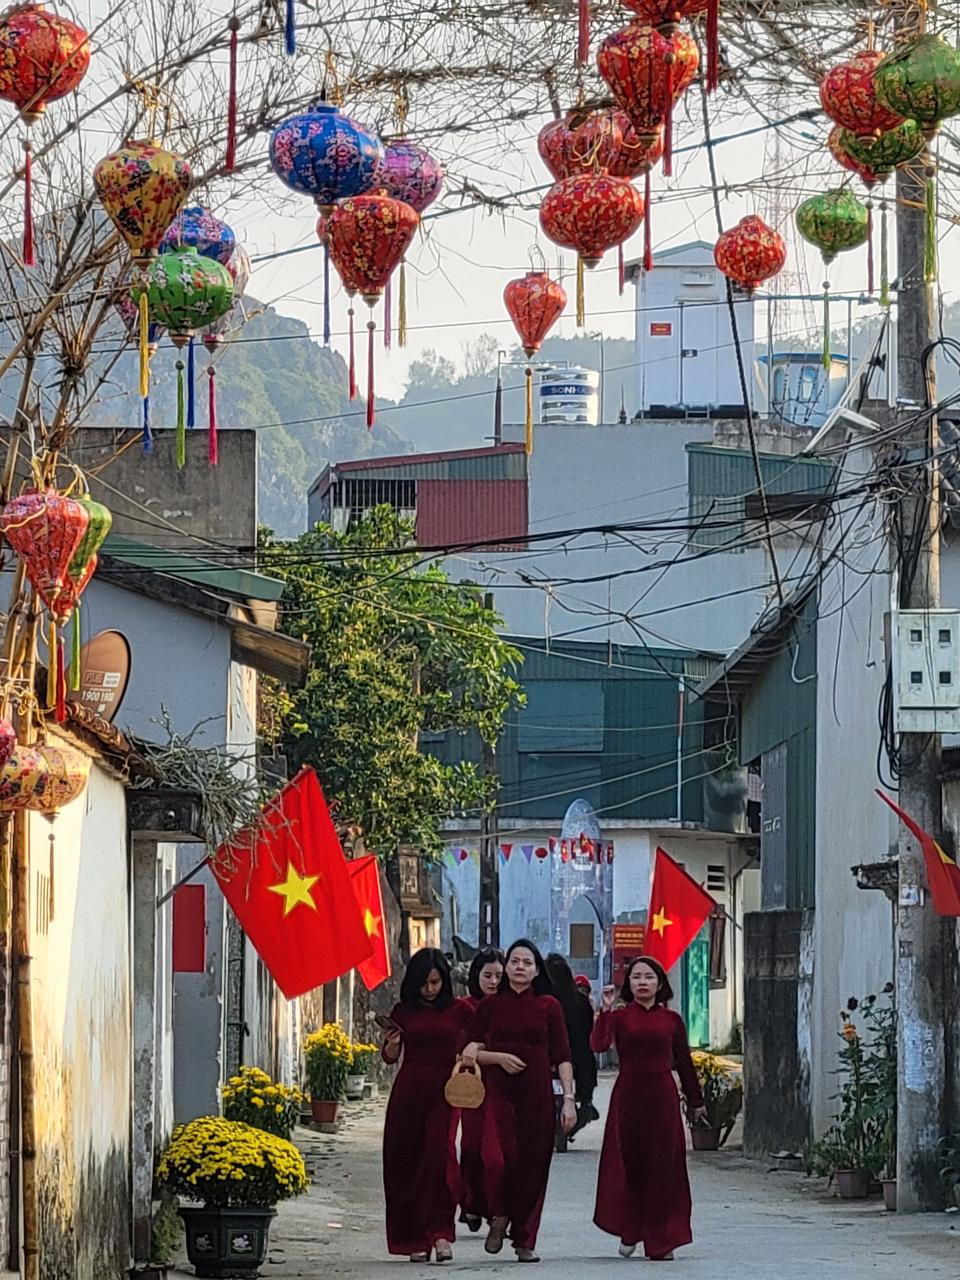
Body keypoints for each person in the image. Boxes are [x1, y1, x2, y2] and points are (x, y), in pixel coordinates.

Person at [461, 938, 575, 1263]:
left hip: (537, 1094)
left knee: (533, 1166)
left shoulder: (549, 1006)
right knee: (497, 1159)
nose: (520, 966)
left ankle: (524, 1238)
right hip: (498, 1092)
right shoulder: (490, 1006)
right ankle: (498, 1214)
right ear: (506, 967)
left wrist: (568, 1099)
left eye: (527, 962)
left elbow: (563, 1056)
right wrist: (498, 1057)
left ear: (537, 969)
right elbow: (470, 1052)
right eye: (515, 961)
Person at [590, 955, 707, 1262]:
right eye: (636, 977)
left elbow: (684, 1062)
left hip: (662, 1098)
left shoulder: (671, 1021)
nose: (642, 982)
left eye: (649, 977)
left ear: (660, 983)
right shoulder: (619, 1017)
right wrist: (603, 1010)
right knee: (630, 1164)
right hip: (628, 1097)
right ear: (628, 984)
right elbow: (598, 1045)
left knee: (663, 1168)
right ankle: (631, 1228)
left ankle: (660, 1238)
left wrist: (696, 1101)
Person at [381, 948, 468, 1263]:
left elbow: (477, 1041)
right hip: (408, 1092)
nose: (430, 989)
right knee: (405, 1162)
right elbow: (390, 1057)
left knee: (439, 1159)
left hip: (445, 1094)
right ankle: (414, 1237)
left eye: (435, 982)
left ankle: (441, 1233)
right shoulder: (404, 1011)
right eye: (424, 983)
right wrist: (391, 1044)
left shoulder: (460, 1011)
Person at [459, 947, 504, 1232]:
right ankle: (471, 1203)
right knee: (472, 1147)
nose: (493, 981)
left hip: (504, 1084)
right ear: (477, 976)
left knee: (498, 1152)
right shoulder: (464, 1007)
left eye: (499, 975)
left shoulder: (510, 1007)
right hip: (472, 1083)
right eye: (488, 975)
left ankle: (496, 1208)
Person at [544, 953, 599, 1137]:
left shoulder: (543, 1001)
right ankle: (586, 1101)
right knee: (587, 1063)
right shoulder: (580, 1001)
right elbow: (588, 1030)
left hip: (550, 1055)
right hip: (578, 1056)